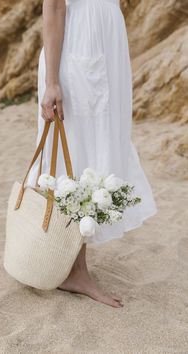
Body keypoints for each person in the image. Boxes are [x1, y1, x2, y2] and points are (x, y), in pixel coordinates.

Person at [27, 0, 157, 308]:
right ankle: (75, 271)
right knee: (79, 150)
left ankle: (73, 264)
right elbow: (55, 5)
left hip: (102, 42)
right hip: (79, 46)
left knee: (97, 146)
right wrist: (53, 82)